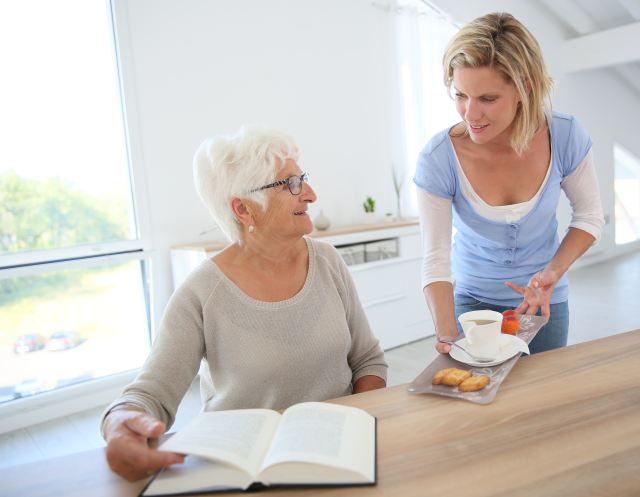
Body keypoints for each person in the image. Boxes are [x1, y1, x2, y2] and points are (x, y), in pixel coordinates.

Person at [101, 126, 388, 481]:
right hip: (243, 469)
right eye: (291, 184)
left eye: (304, 179)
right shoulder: (201, 292)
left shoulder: (328, 261)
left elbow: (368, 361)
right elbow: (150, 395)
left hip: (336, 454)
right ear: (243, 209)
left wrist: (352, 430)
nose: (311, 194)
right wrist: (119, 423)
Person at [413, 12, 604, 356]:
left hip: (543, 302)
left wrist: (551, 275)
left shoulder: (564, 135)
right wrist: (446, 331)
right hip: (472, 305)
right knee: (478, 404)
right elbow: (436, 258)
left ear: (524, 89)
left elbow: (589, 216)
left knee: (539, 400)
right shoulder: (439, 158)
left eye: (487, 99)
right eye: (461, 95)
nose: (470, 114)